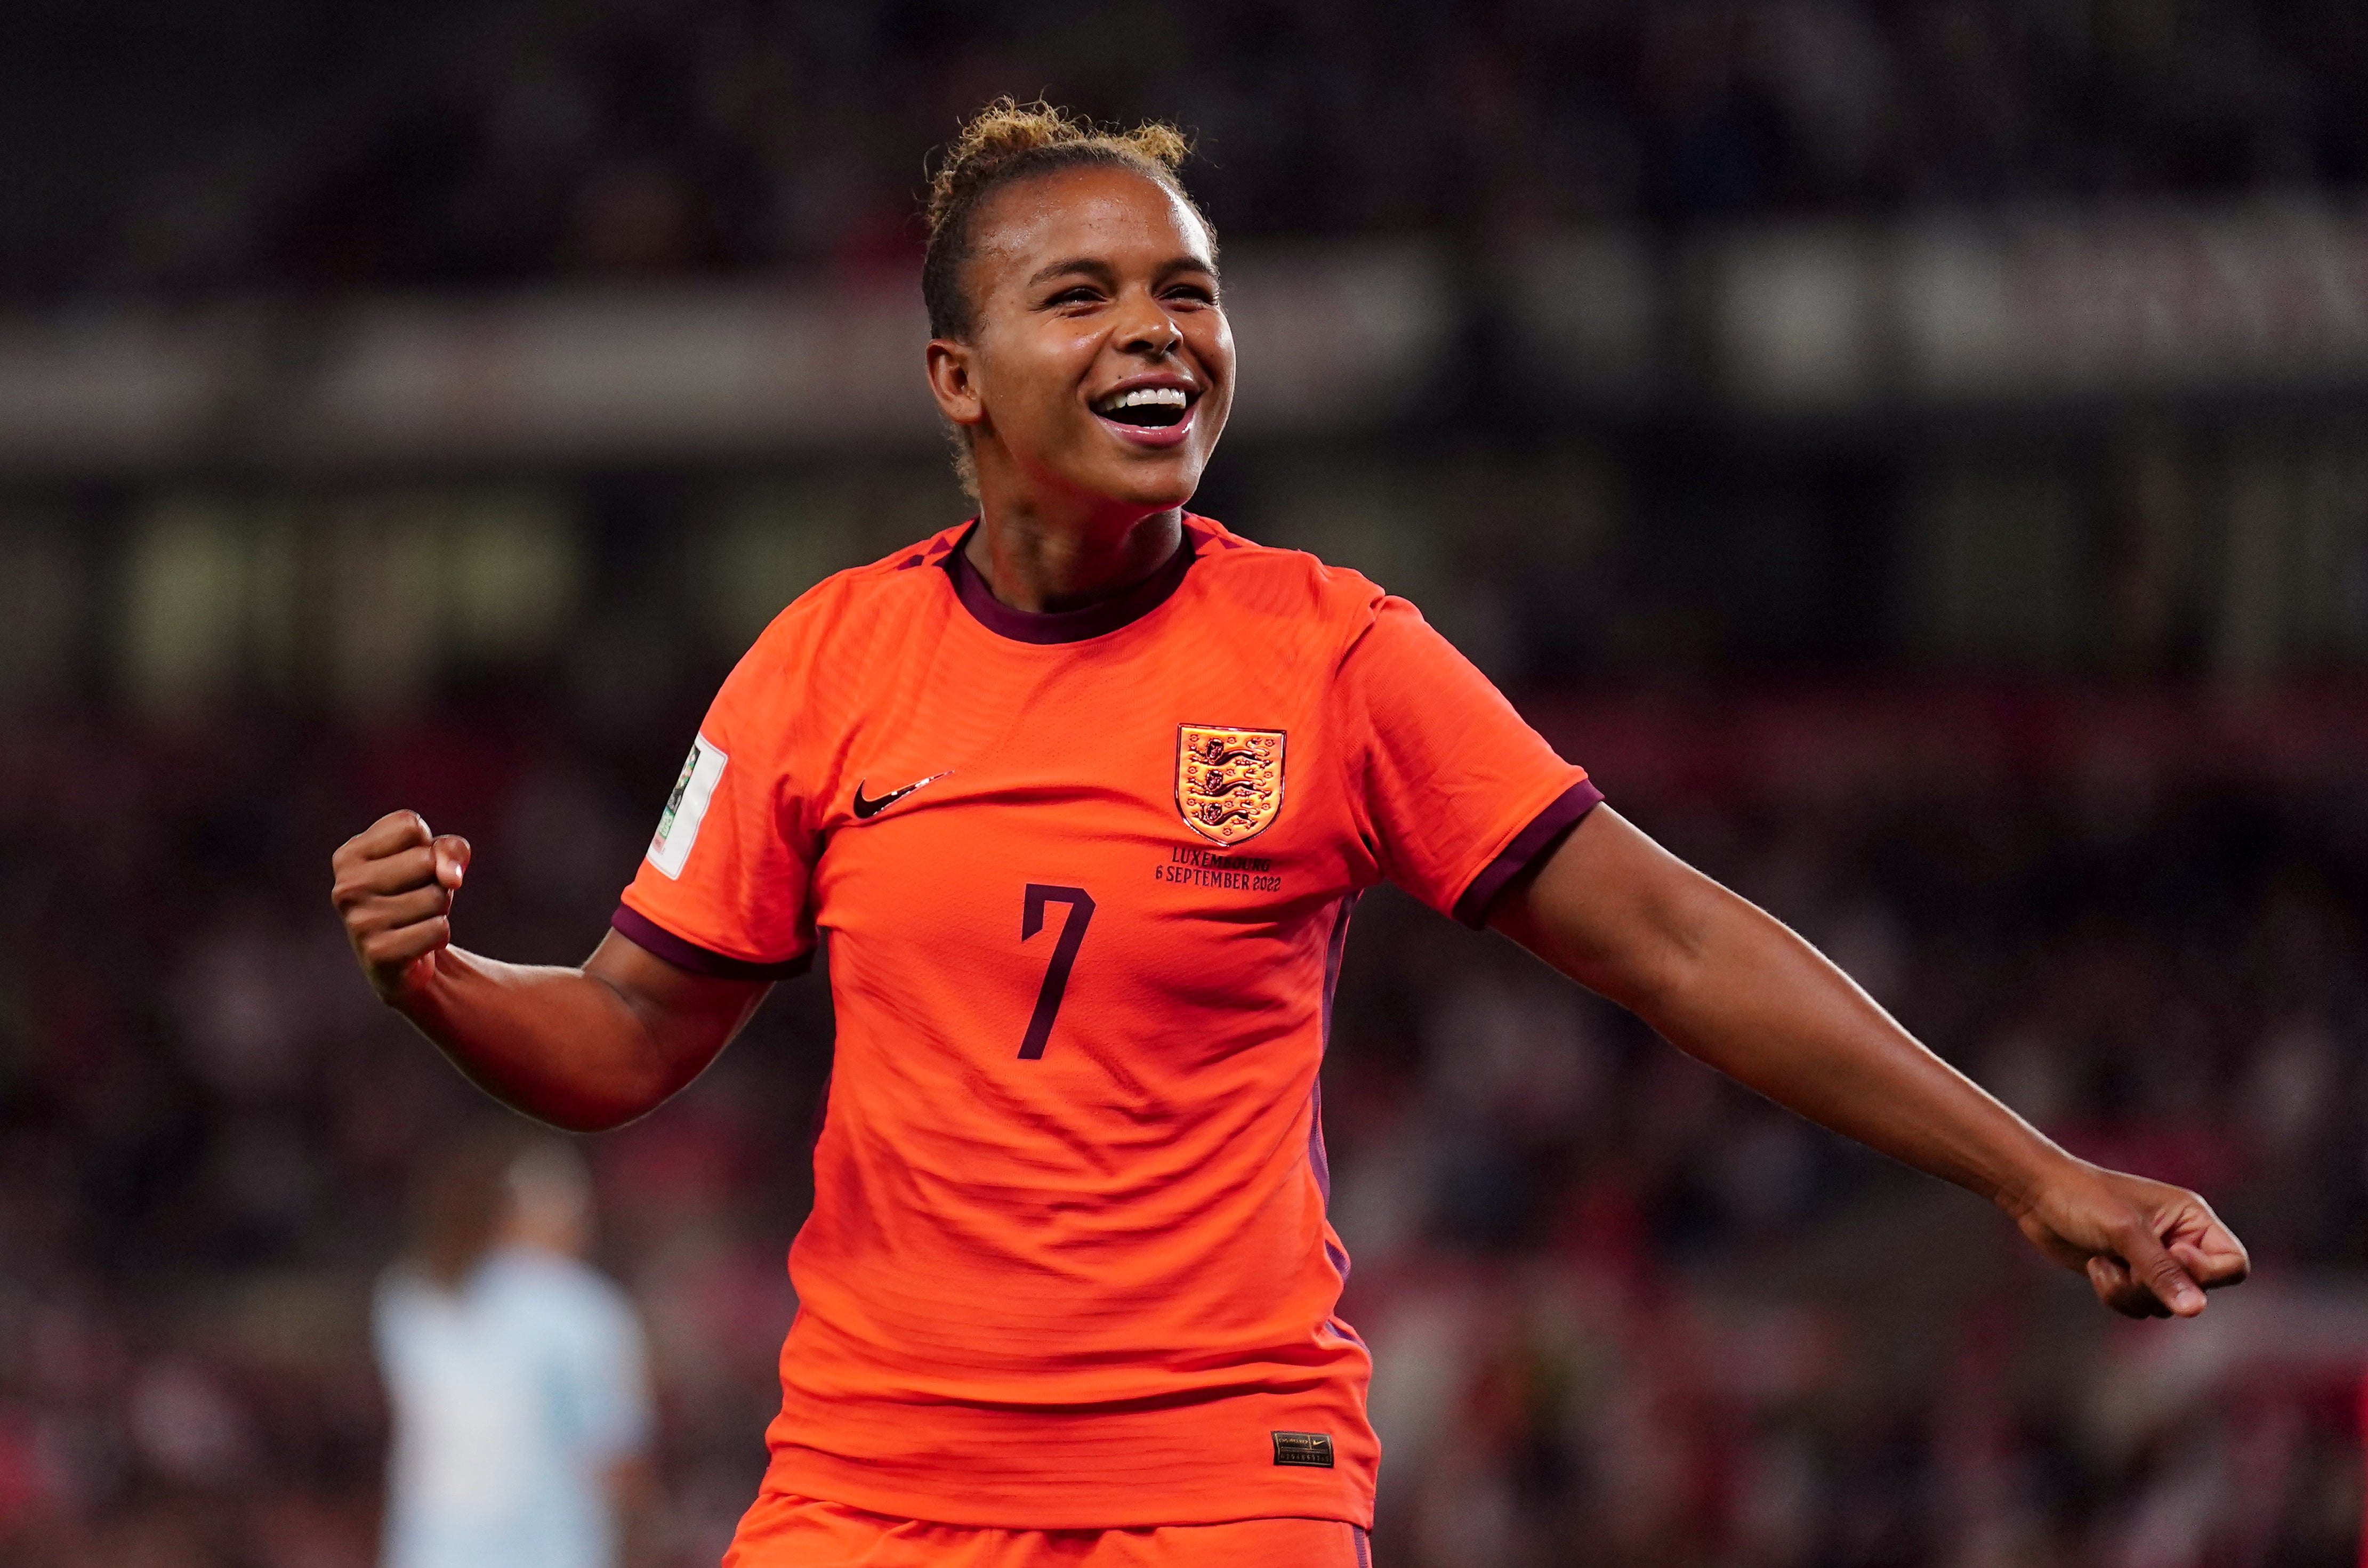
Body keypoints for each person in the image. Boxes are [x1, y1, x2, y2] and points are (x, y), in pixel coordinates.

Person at [330, 100, 2248, 1567]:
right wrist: (435, 978)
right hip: (869, 1484)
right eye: (1077, 296)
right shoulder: (817, 665)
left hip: (1217, 1477)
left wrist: (2029, 1173)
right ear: (955, 380)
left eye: (1185, 290)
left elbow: (1665, 937)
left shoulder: (1333, 657)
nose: (1155, 331)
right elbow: (619, 1036)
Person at [375, 1132, 655, 1568]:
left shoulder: (408, 1300)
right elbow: (615, 1462)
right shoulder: (584, 1310)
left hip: (428, 1550)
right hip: (551, 1551)